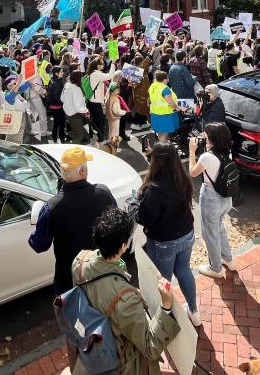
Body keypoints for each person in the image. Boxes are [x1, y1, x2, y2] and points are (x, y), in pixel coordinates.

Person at [69, 207, 181, 375]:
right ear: (123, 246)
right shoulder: (125, 299)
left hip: (91, 345)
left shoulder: (80, 260)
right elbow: (150, 346)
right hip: (121, 364)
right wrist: (166, 305)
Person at [28, 146, 116, 295]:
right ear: (82, 171)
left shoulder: (51, 207)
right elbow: (117, 228)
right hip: (100, 275)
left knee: (70, 317)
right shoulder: (102, 193)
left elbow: (39, 245)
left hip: (69, 282)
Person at [136, 143, 200, 326]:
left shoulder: (154, 189)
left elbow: (145, 218)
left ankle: (164, 317)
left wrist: (136, 205)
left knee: (163, 281)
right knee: (184, 270)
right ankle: (194, 312)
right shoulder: (183, 179)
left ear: (156, 162)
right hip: (187, 234)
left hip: (164, 242)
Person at [188, 123, 236, 278]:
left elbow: (193, 173)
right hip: (226, 199)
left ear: (213, 140)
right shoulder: (228, 152)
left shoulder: (207, 157)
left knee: (210, 234)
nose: (205, 139)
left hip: (211, 199)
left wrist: (191, 151)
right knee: (220, 228)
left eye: (207, 137)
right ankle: (227, 259)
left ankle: (215, 268)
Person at [148, 71, 180, 149]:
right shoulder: (165, 89)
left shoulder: (153, 86)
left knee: (160, 133)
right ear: (165, 79)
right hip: (165, 114)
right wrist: (177, 108)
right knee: (165, 134)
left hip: (155, 113)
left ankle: (160, 147)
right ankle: (162, 150)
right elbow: (170, 102)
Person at [62, 71, 90, 144]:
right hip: (75, 114)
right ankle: (72, 152)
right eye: (81, 77)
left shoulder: (67, 85)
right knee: (79, 137)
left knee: (85, 137)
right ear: (78, 78)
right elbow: (78, 106)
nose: (82, 78)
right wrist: (86, 110)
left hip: (68, 113)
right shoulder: (76, 89)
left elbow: (62, 98)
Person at [46, 66, 68, 143]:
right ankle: (61, 139)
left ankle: (55, 138)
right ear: (56, 73)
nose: (63, 73)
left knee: (56, 123)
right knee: (60, 124)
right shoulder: (57, 83)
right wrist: (64, 102)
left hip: (54, 106)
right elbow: (57, 97)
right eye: (61, 72)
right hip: (57, 106)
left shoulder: (52, 80)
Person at [105, 80, 128, 153]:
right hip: (115, 118)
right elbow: (117, 111)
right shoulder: (116, 99)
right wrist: (124, 112)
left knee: (110, 132)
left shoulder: (108, 96)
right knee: (115, 134)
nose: (119, 90)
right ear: (114, 90)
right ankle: (114, 148)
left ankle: (109, 145)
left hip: (109, 117)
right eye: (117, 89)